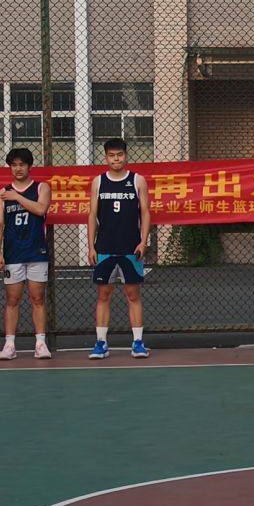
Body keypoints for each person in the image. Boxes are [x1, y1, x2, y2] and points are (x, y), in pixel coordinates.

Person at [86, 138, 151, 360]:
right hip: (105, 247)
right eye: (112, 155)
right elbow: (92, 215)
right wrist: (91, 246)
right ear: (106, 157)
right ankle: (101, 343)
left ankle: (138, 343)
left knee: (132, 294)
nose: (116, 159)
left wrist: (143, 241)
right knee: (104, 294)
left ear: (126, 155)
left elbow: (145, 212)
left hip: (130, 247)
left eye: (120, 154)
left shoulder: (137, 180)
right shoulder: (98, 182)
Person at [0, 147, 52, 360]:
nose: (18, 168)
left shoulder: (41, 187)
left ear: (29, 166)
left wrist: (17, 197)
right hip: (13, 253)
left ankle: (40, 343)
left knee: (37, 298)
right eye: (14, 165)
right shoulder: (3, 193)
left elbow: (41, 209)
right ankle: (9, 345)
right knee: (12, 299)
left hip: (36, 252)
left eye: (22, 164)